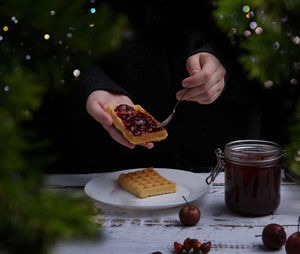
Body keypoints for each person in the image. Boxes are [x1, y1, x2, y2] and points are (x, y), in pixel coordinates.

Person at [76, 0, 260, 173]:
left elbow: (266, 29)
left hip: (223, 154)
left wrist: (223, 62)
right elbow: (54, 32)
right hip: (105, 161)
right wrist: (92, 83)